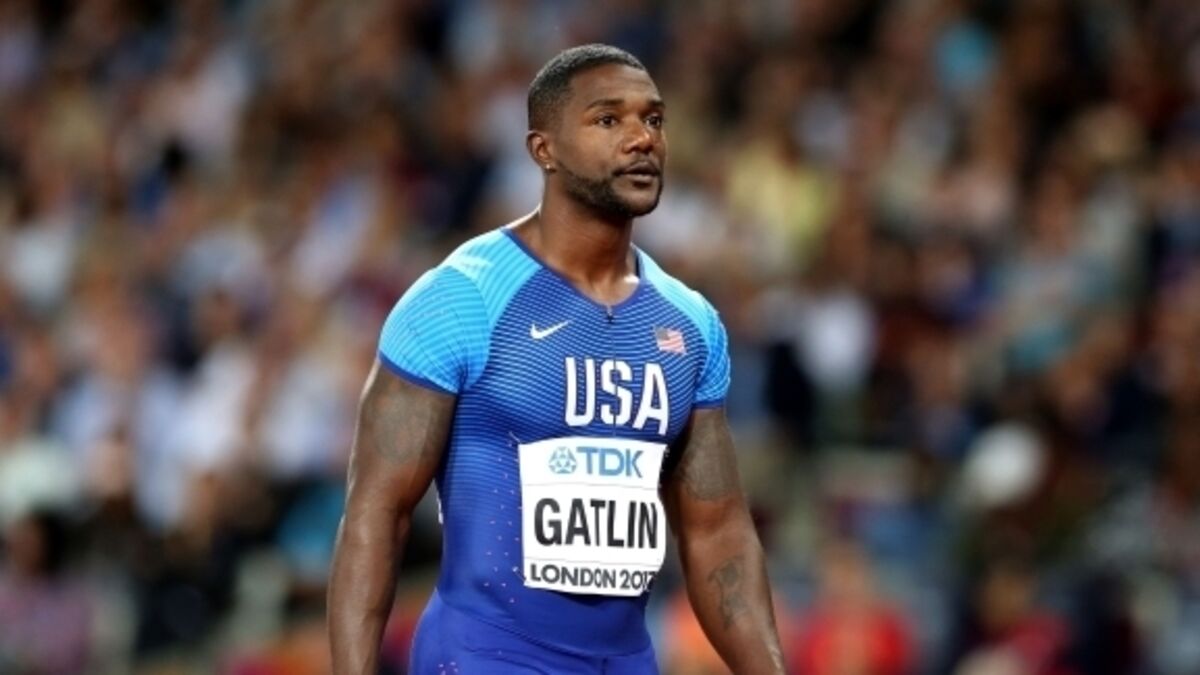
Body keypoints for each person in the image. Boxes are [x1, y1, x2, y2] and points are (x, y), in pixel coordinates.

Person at [328, 43, 786, 674]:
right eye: (609, 119)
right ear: (543, 149)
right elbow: (377, 513)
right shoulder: (462, 298)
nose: (642, 138)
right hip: (486, 656)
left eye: (653, 119)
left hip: (625, 661)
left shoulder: (690, 323)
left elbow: (717, 532)